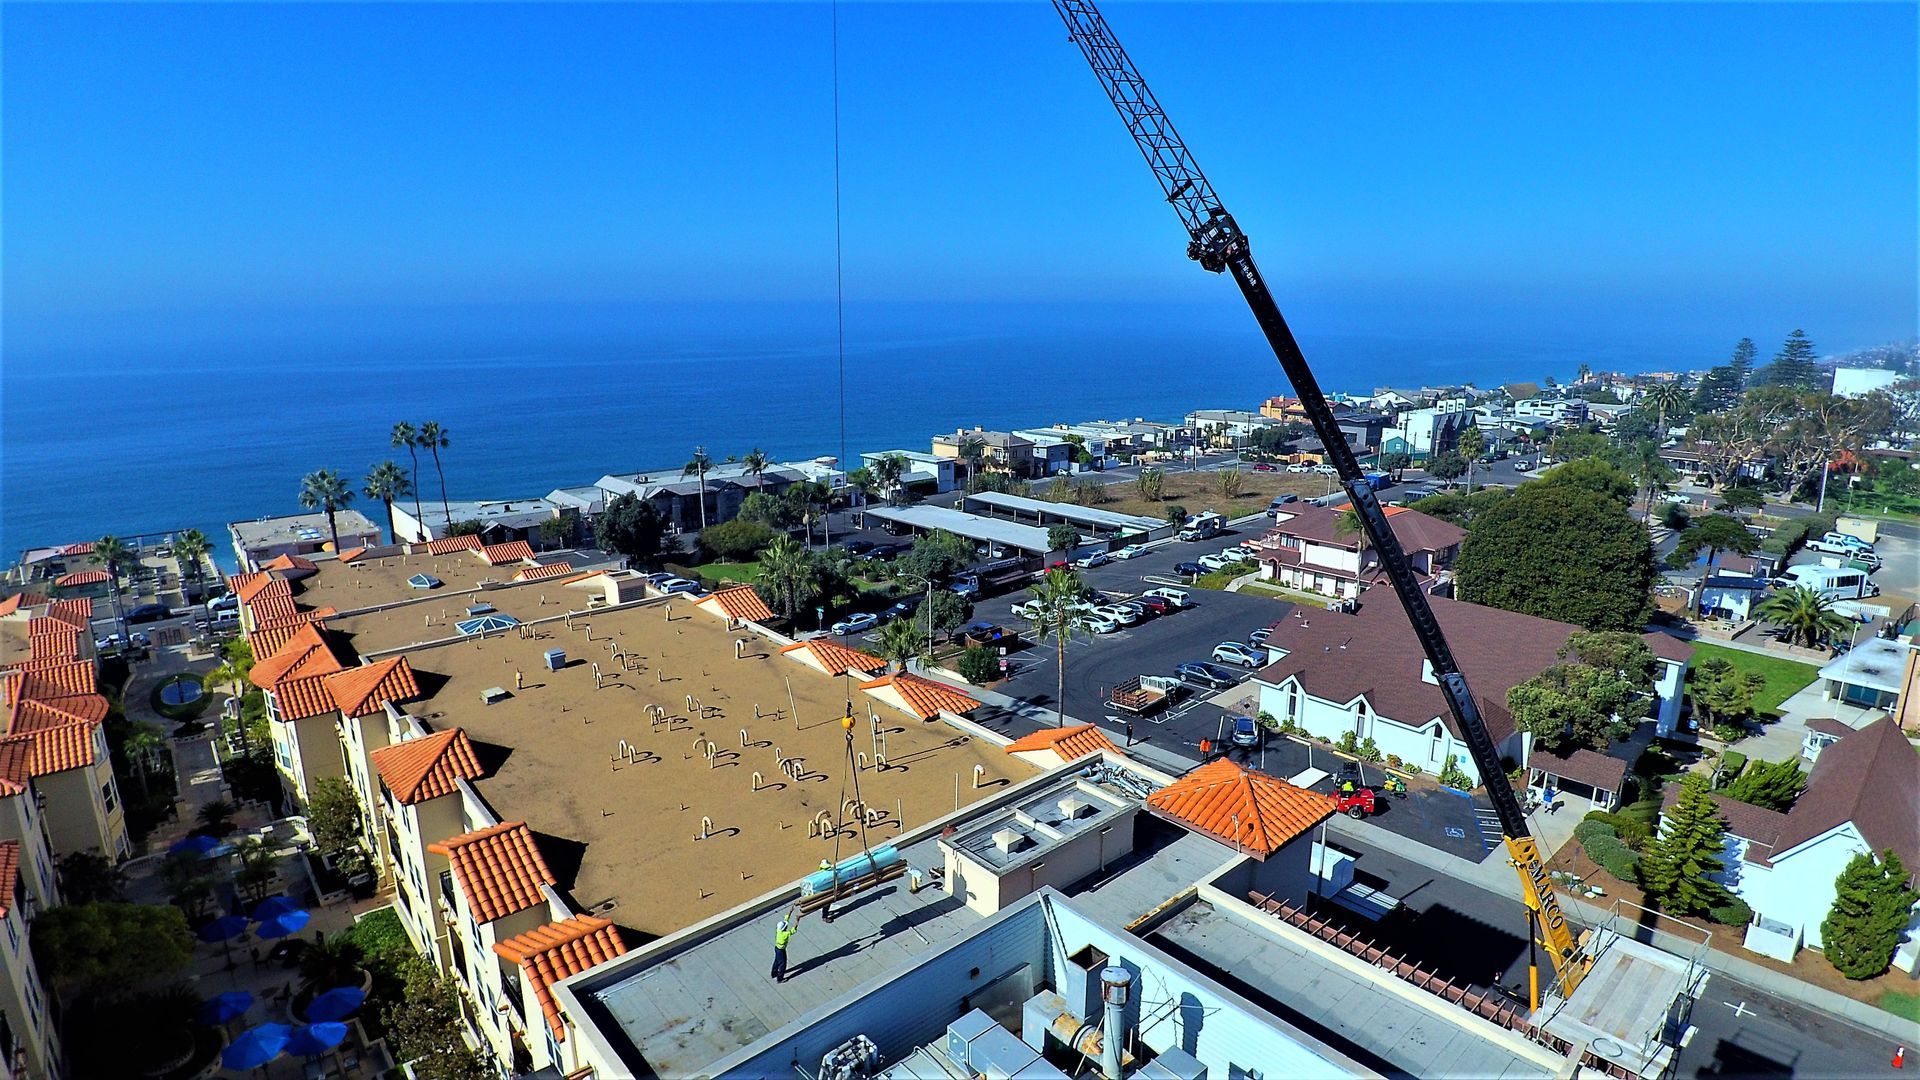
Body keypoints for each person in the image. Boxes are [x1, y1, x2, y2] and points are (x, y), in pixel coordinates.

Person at [770, 917, 795, 983]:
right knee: (782, 964)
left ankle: (774, 973)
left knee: (777, 961)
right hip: (781, 950)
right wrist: (797, 921)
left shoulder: (779, 931)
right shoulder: (785, 934)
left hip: (777, 948)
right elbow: (793, 930)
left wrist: (790, 912)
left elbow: (785, 920)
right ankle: (780, 978)